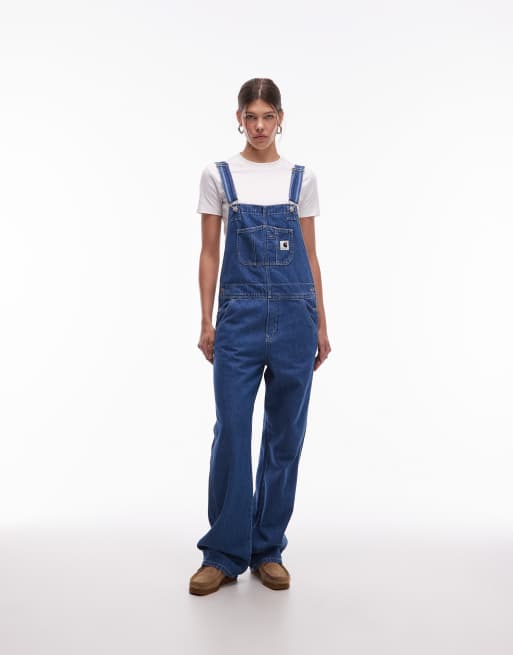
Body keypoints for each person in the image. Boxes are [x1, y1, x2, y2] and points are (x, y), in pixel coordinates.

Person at [189, 78, 331, 596]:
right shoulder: (219, 175)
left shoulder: (301, 178)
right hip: (238, 318)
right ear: (239, 119)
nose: (259, 127)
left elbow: (310, 255)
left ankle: (267, 548)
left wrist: (321, 322)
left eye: (268, 116)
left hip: (296, 317)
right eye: (251, 117)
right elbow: (209, 251)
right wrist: (206, 320)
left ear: (280, 118)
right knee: (232, 431)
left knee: (285, 435)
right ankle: (223, 554)